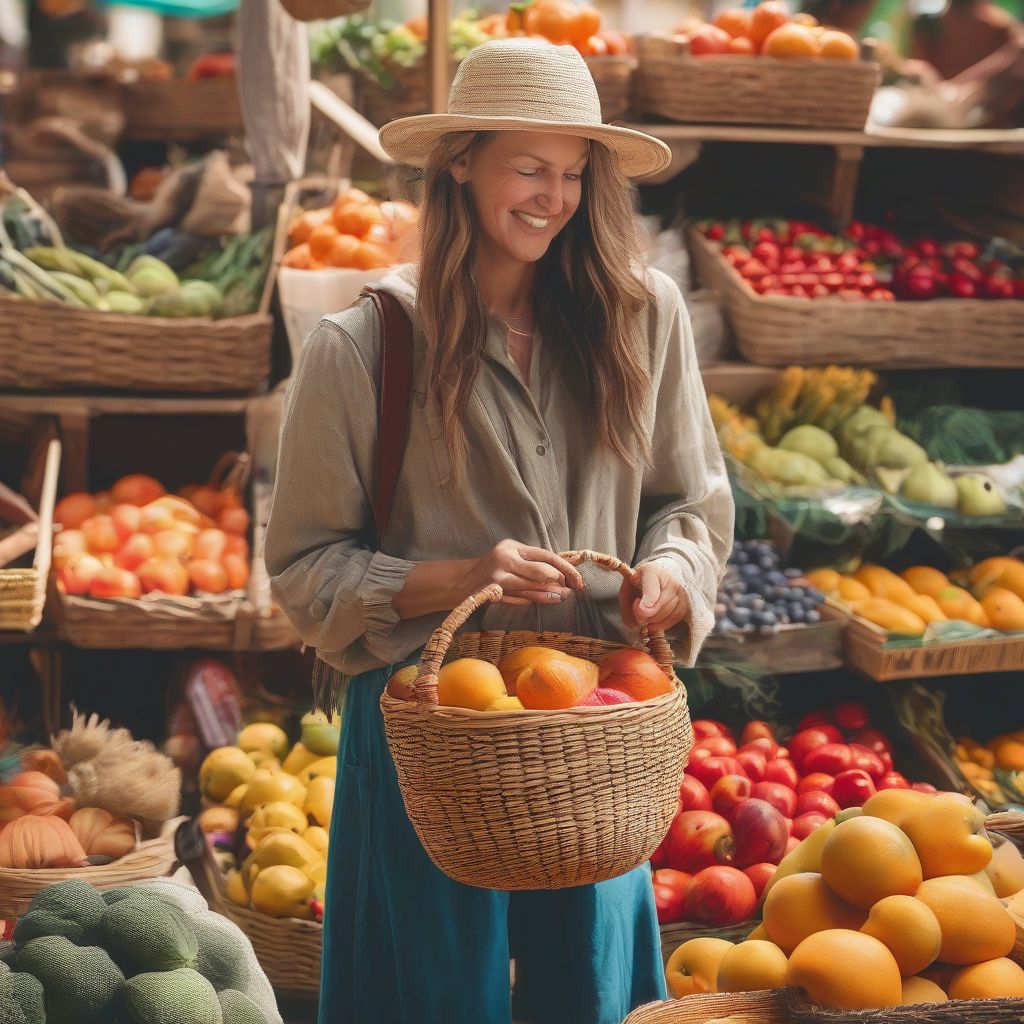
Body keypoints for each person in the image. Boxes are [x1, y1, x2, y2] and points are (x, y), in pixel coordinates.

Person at [265, 37, 733, 1024]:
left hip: (594, 724)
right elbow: (304, 569)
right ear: (459, 163)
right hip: (427, 732)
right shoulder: (362, 348)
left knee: (592, 992)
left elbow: (691, 502)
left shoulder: (642, 319)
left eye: (572, 172)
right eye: (529, 165)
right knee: (427, 997)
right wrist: (456, 577)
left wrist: (670, 571)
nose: (553, 196)